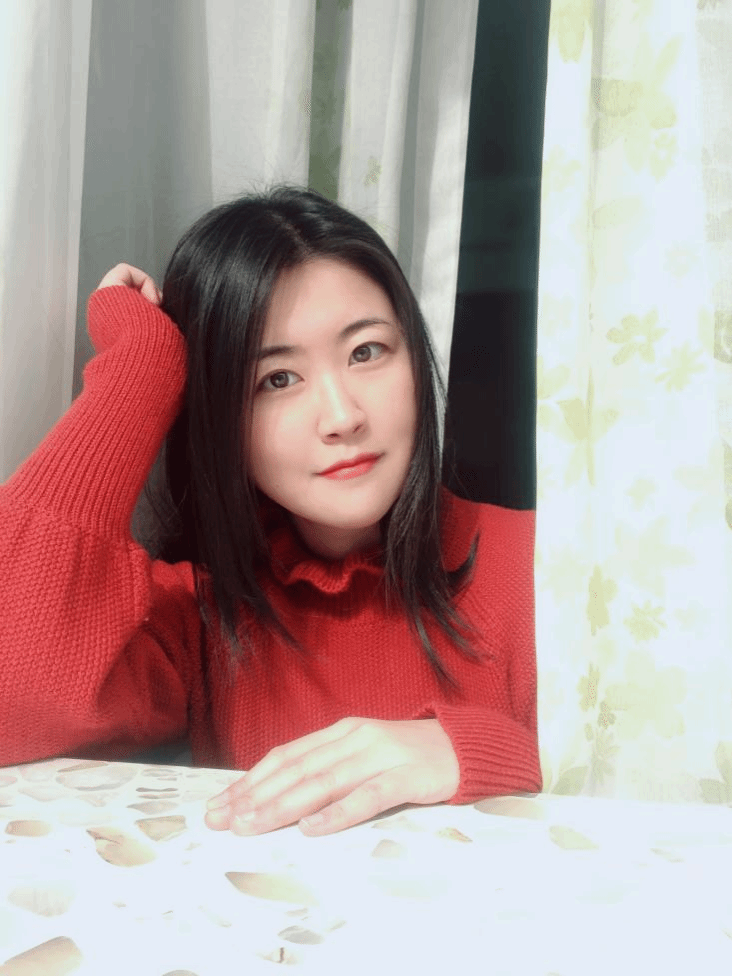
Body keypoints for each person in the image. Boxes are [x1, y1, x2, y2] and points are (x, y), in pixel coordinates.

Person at [0, 186, 541, 837]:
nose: (342, 417)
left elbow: (639, 766)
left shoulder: (541, 564)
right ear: (217, 417)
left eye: (366, 351)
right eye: (276, 380)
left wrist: (478, 752)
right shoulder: (199, 616)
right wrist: (141, 369)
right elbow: (11, 700)